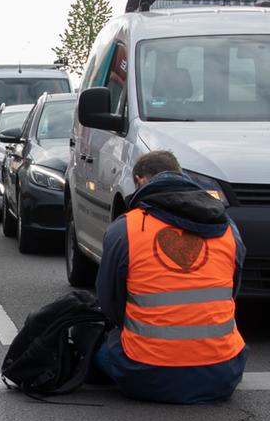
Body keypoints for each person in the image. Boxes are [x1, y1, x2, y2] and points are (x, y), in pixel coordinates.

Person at [94, 151, 247, 404]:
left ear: (140, 181)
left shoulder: (125, 228)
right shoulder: (227, 227)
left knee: (96, 344)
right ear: (181, 175)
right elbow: (232, 290)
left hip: (146, 375)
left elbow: (109, 300)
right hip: (223, 374)